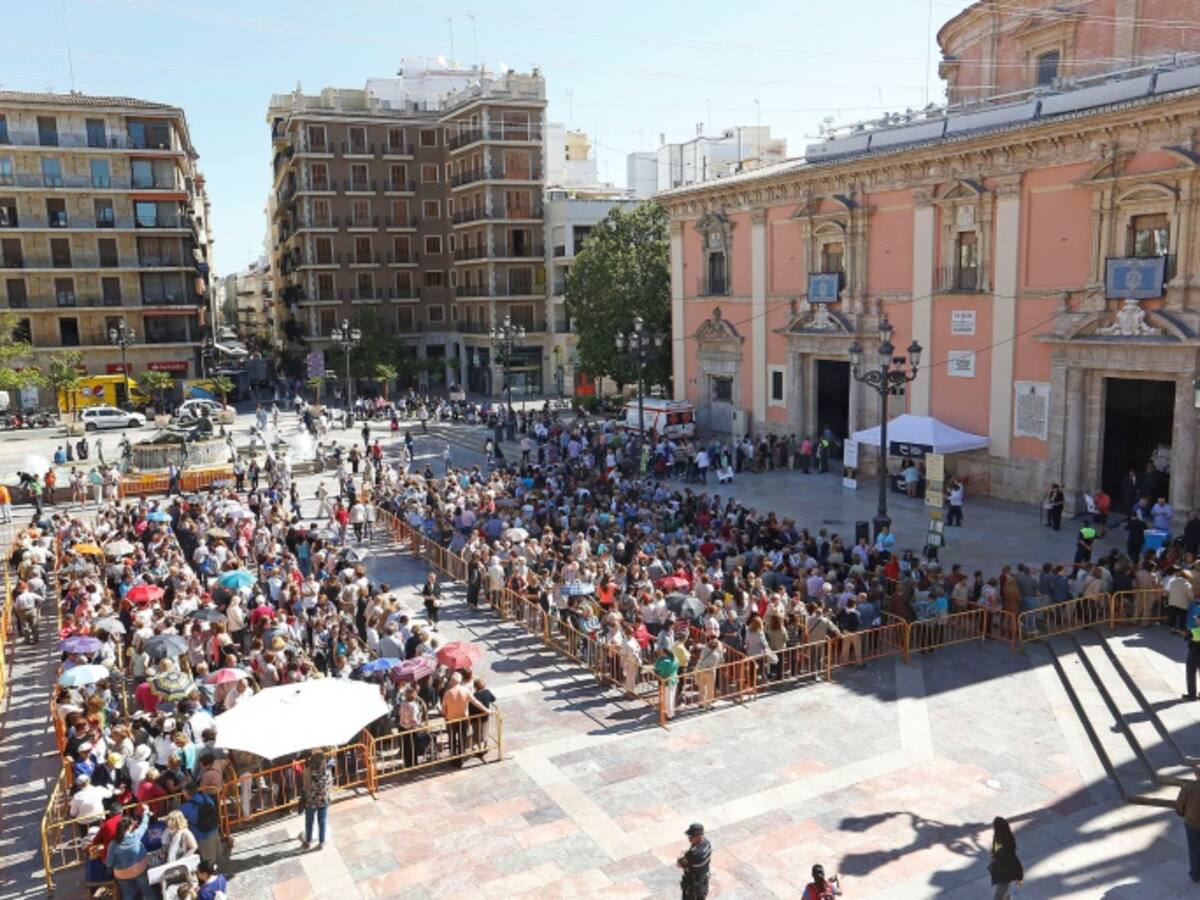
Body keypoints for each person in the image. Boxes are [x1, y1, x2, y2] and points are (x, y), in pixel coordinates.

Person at [106, 806, 153, 900]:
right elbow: (144, 824)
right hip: (139, 869)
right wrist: (146, 811)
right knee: (148, 891)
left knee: (128, 894)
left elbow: (109, 863)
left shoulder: (113, 844)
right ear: (129, 827)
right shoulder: (135, 836)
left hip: (121, 874)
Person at [298, 750, 333, 850]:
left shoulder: (307, 772)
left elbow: (306, 788)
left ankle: (308, 841)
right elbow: (329, 785)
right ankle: (321, 842)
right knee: (322, 821)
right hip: (323, 800)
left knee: (309, 822)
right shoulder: (327, 772)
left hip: (310, 800)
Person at [988, 816, 1024, 900]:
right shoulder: (997, 836)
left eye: (994, 826)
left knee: (999, 895)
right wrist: (993, 855)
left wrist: (1019, 876)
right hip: (999, 871)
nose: (993, 828)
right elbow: (994, 849)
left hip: (1004, 874)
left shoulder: (1006, 844)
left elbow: (1014, 860)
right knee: (1004, 892)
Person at [677, 822, 711, 899]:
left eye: (691, 836)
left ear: (698, 836)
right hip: (703, 880)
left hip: (692, 885)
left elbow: (679, 864)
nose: (689, 838)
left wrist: (683, 852)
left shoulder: (694, 854)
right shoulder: (707, 843)